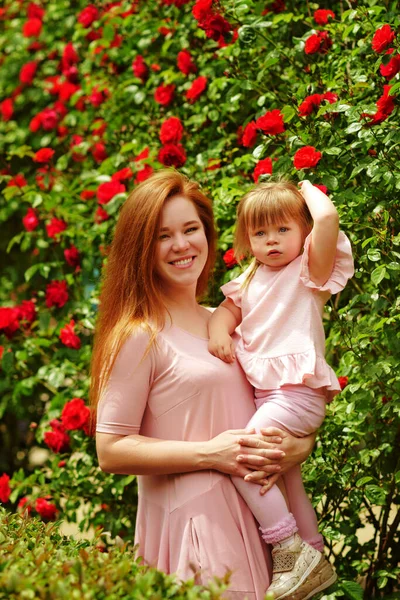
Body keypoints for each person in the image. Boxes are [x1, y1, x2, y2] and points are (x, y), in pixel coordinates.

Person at [91, 170, 317, 600]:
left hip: (265, 528)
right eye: (163, 235)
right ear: (141, 248)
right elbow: (111, 450)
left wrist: (297, 447)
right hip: (196, 535)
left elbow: (274, 406)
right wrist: (212, 453)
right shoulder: (139, 333)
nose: (181, 245)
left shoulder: (229, 321)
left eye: (191, 229)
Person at [208, 179, 354, 599]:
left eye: (283, 230)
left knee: (244, 456)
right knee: (287, 477)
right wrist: (220, 331)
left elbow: (327, 217)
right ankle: (314, 554)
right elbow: (225, 312)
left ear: (303, 232)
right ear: (247, 239)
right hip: (269, 397)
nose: (272, 241)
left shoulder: (309, 270)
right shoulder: (250, 278)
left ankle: (287, 549)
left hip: (297, 394)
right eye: (260, 233)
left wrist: (303, 186)